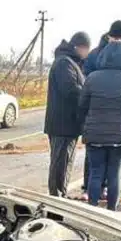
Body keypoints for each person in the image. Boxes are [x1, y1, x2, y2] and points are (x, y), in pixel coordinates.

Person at [77, 42, 121, 211]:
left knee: (96, 173)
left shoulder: (92, 77)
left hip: (95, 134)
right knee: (114, 174)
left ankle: (93, 209)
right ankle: (112, 210)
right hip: (120, 135)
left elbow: (82, 104)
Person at [44, 31, 90, 197]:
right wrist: (88, 92)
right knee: (60, 163)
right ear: (80, 47)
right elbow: (70, 90)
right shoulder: (65, 63)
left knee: (64, 162)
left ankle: (60, 194)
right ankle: (57, 197)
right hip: (63, 124)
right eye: (86, 49)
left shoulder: (70, 62)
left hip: (66, 124)